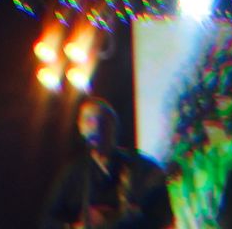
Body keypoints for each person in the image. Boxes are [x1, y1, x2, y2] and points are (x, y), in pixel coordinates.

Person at [42, 97, 174, 229]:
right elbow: (49, 220)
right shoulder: (74, 174)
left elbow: (163, 215)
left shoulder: (141, 167)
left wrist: (136, 217)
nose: (95, 128)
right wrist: (74, 227)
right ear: (80, 128)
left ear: (115, 127)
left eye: (102, 122)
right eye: (89, 121)